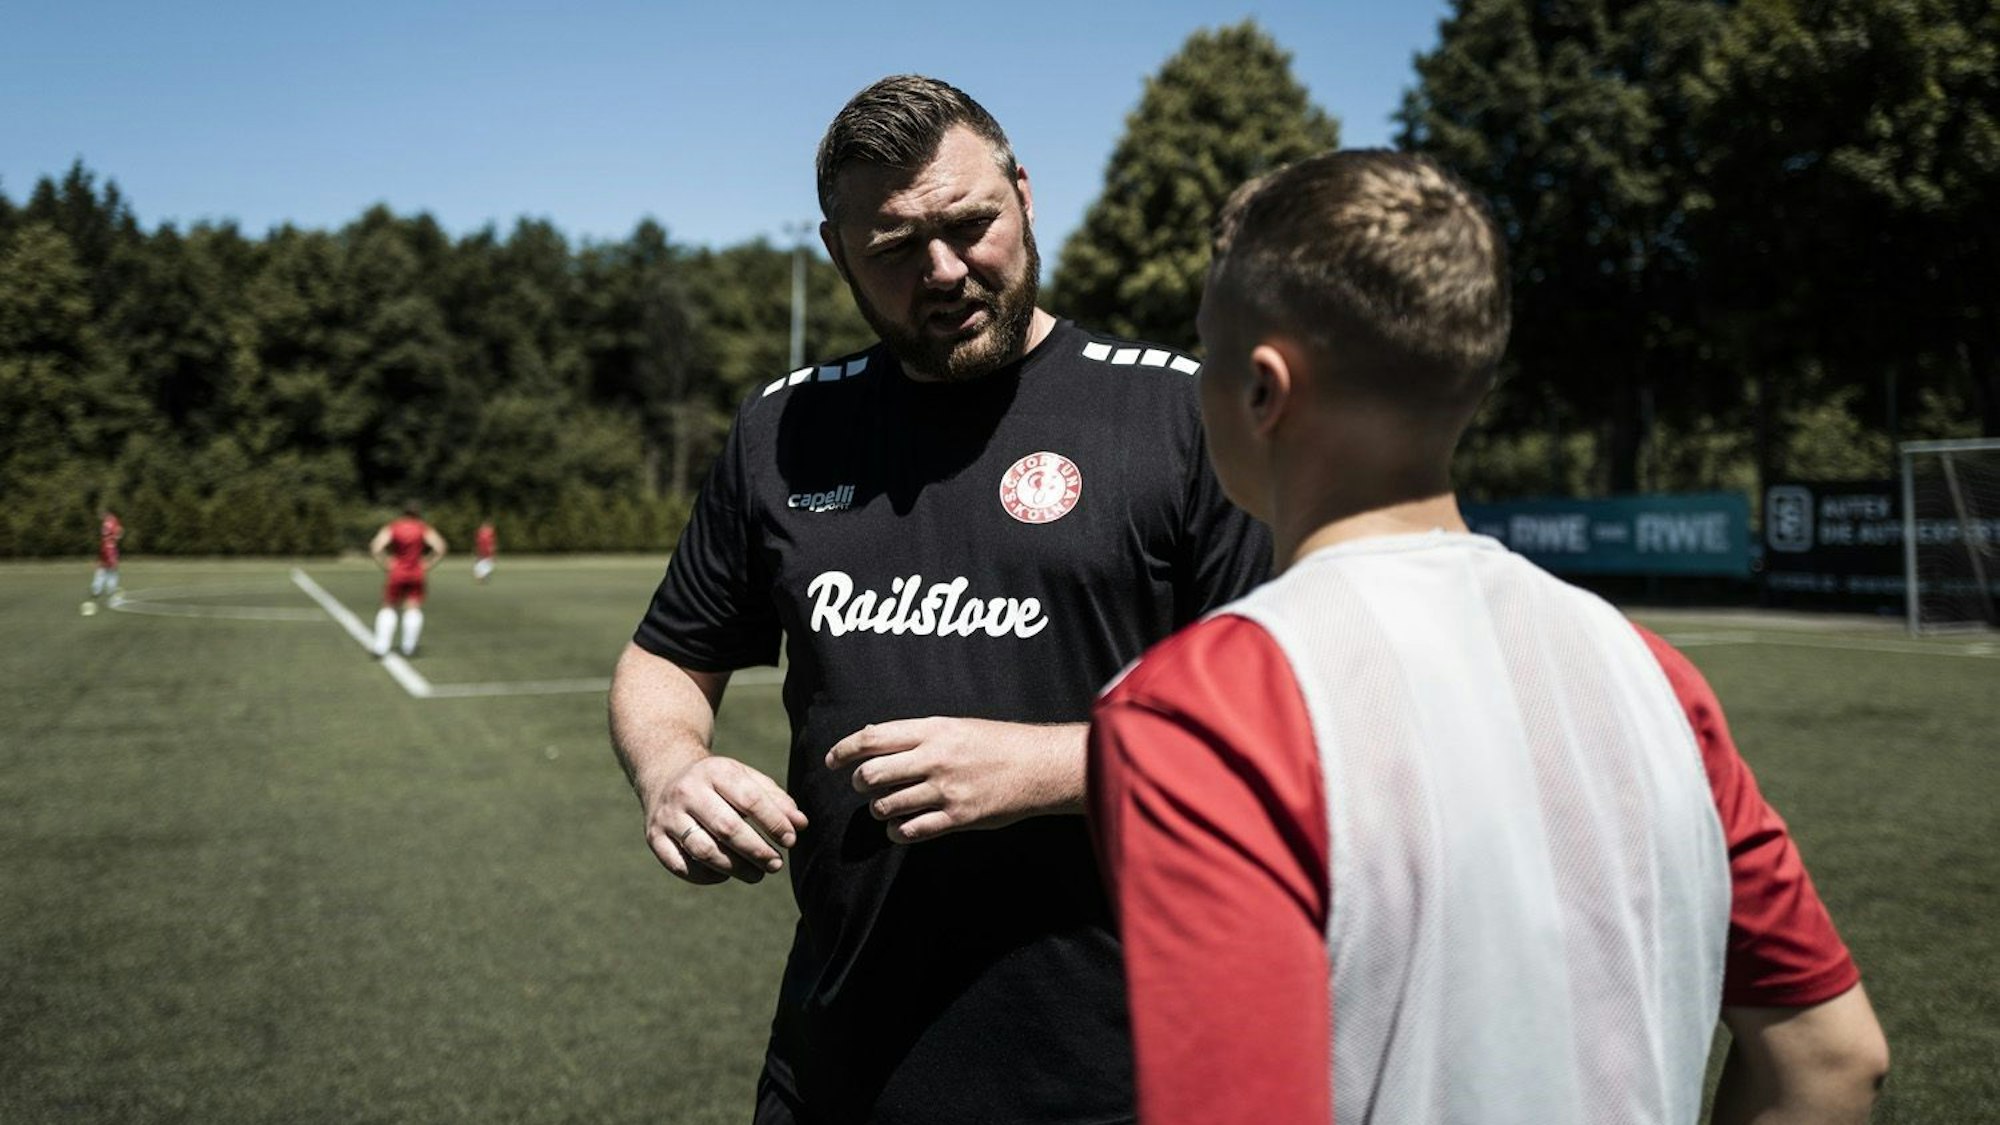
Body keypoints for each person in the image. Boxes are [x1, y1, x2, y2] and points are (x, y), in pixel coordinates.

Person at [1087, 150, 1889, 1124]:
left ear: (1262, 390)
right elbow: (1831, 1058)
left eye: (1201, 348)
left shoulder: (1200, 706)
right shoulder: (1651, 676)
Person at [608, 75, 1268, 1124]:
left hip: (1117, 1069)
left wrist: (1047, 766)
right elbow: (666, 658)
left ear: (1024, 195)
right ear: (837, 253)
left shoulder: (1179, 416)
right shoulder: (783, 431)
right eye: (895, 249)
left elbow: (1285, 736)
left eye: (971, 225)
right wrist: (670, 767)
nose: (947, 270)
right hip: (837, 1064)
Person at [368, 502, 446, 658]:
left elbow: (376, 547)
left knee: (389, 606)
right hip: (416, 572)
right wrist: (428, 563)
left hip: (397, 571)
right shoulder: (422, 527)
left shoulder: (394, 526)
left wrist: (385, 563)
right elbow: (440, 547)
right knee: (413, 608)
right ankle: (408, 647)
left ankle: (381, 647)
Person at [90, 508, 124, 602]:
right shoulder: (113, 520)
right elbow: (119, 532)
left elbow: (117, 532)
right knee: (111, 570)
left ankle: (97, 590)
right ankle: (110, 590)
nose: (100, 518)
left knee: (103, 570)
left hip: (107, 547)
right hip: (110, 547)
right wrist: (117, 537)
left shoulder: (108, 522)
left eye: (100, 515)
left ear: (105, 513)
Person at [473, 520, 497, 584]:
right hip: (484, 552)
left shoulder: (483, 532)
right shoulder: (487, 532)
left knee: (484, 565)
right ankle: (482, 576)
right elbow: (489, 543)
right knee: (485, 565)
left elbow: (481, 542)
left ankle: (481, 577)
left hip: (484, 552)